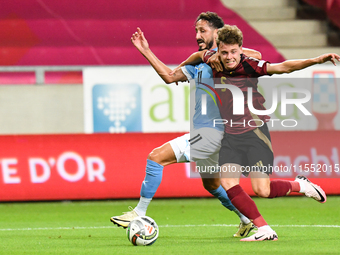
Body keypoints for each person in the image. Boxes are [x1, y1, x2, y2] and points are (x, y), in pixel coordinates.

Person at [172, 24, 339, 241]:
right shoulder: (212, 60)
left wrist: (316, 60)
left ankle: (301, 185)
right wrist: (181, 69)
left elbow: (284, 67)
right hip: (230, 134)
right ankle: (265, 229)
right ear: (219, 51)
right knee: (228, 182)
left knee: (263, 190)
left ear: (241, 49)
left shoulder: (251, 65)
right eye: (224, 52)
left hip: (254, 132)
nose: (229, 57)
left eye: (234, 52)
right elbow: (197, 55)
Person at [110, 12, 262, 237]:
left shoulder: (228, 59)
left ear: (217, 33)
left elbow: (256, 54)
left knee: (156, 157)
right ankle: (247, 220)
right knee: (212, 185)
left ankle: (139, 212)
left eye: (202, 30)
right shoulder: (200, 64)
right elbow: (170, 76)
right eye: (196, 31)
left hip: (215, 132)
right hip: (209, 133)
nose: (198, 35)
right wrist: (146, 51)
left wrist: (211, 52)